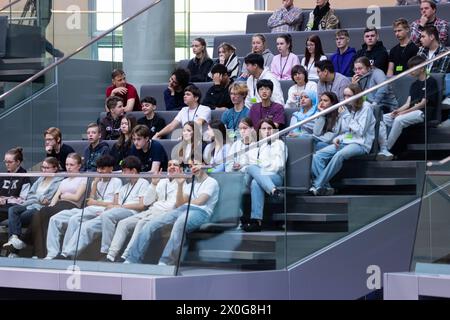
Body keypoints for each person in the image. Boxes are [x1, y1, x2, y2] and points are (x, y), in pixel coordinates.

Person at [126, 160, 220, 265]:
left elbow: (200, 201)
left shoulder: (212, 182)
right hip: (183, 209)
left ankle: (166, 261)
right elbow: (180, 203)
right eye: (190, 166)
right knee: (151, 223)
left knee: (180, 223)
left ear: (203, 165)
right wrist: (180, 185)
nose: (193, 167)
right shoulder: (191, 184)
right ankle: (132, 259)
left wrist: (185, 202)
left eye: (196, 164)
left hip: (201, 212)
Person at [59, 156, 149, 261]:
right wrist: (111, 207)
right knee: (86, 227)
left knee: (107, 215)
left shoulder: (143, 182)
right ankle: (68, 254)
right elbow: (114, 204)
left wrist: (118, 207)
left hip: (131, 212)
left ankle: (107, 253)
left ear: (133, 171)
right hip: (114, 212)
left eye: (124, 171)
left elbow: (141, 205)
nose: (123, 174)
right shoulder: (125, 187)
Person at [8, 153, 87, 258]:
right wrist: (53, 204)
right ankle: (37, 254)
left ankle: (23, 240)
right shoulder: (65, 179)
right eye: (67, 164)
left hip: (71, 206)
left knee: (41, 213)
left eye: (71, 165)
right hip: (59, 204)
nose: (68, 167)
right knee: (42, 214)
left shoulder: (83, 178)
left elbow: (77, 197)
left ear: (79, 166)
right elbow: (56, 197)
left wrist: (63, 196)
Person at [44, 155, 122, 259]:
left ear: (111, 168)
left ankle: (65, 254)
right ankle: (52, 253)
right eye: (98, 168)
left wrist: (96, 203)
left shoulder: (117, 181)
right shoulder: (97, 182)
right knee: (55, 219)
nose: (100, 171)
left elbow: (115, 204)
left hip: (103, 210)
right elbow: (90, 201)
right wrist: (94, 184)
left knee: (74, 219)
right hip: (90, 209)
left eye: (102, 168)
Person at [106, 160, 184, 262]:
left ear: (181, 169)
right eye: (169, 165)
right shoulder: (161, 181)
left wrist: (179, 185)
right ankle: (110, 256)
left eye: (175, 165)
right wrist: (153, 184)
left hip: (165, 214)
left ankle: (127, 255)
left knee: (141, 223)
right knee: (123, 223)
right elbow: (147, 202)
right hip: (151, 210)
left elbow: (176, 206)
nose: (172, 167)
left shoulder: (183, 184)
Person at [310, 84, 375, 196]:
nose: (345, 99)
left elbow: (360, 131)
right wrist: (338, 138)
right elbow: (346, 132)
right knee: (317, 156)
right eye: (344, 96)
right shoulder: (349, 109)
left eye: (349, 96)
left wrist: (346, 115)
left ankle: (317, 184)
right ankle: (326, 188)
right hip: (347, 141)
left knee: (339, 155)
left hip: (361, 143)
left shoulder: (366, 107)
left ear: (357, 95)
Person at [4, 157, 62, 256]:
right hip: (29, 204)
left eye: (47, 168)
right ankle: (14, 238)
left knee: (12, 221)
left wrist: (37, 197)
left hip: (39, 208)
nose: (44, 170)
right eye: (43, 167)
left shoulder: (58, 181)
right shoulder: (40, 179)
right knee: (12, 209)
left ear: (55, 168)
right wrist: (38, 198)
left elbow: (48, 199)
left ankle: (13, 251)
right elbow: (30, 194)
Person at [383, 56, 439, 152]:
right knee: (384, 118)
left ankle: (386, 149)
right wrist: (398, 111)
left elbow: (422, 104)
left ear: (422, 68)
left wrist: (404, 113)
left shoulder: (431, 81)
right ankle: (380, 145)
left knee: (399, 120)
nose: (410, 71)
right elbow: (408, 103)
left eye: (413, 68)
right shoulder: (414, 84)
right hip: (411, 111)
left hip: (423, 112)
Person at [241, 119, 287, 232]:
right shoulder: (258, 145)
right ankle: (273, 191)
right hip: (258, 177)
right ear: (259, 131)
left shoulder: (279, 144)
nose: (267, 131)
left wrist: (260, 168)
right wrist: (259, 168)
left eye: (269, 128)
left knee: (255, 180)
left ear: (274, 130)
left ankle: (257, 221)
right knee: (252, 171)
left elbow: (279, 166)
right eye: (264, 129)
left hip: (275, 177)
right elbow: (245, 164)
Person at [0, 148, 31, 219]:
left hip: (13, 207)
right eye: (5, 161)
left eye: (10, 162)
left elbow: (23, 199)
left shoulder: (24, 177)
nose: (7, 164)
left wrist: (6, 200)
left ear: (18, 162)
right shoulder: (4, 176)